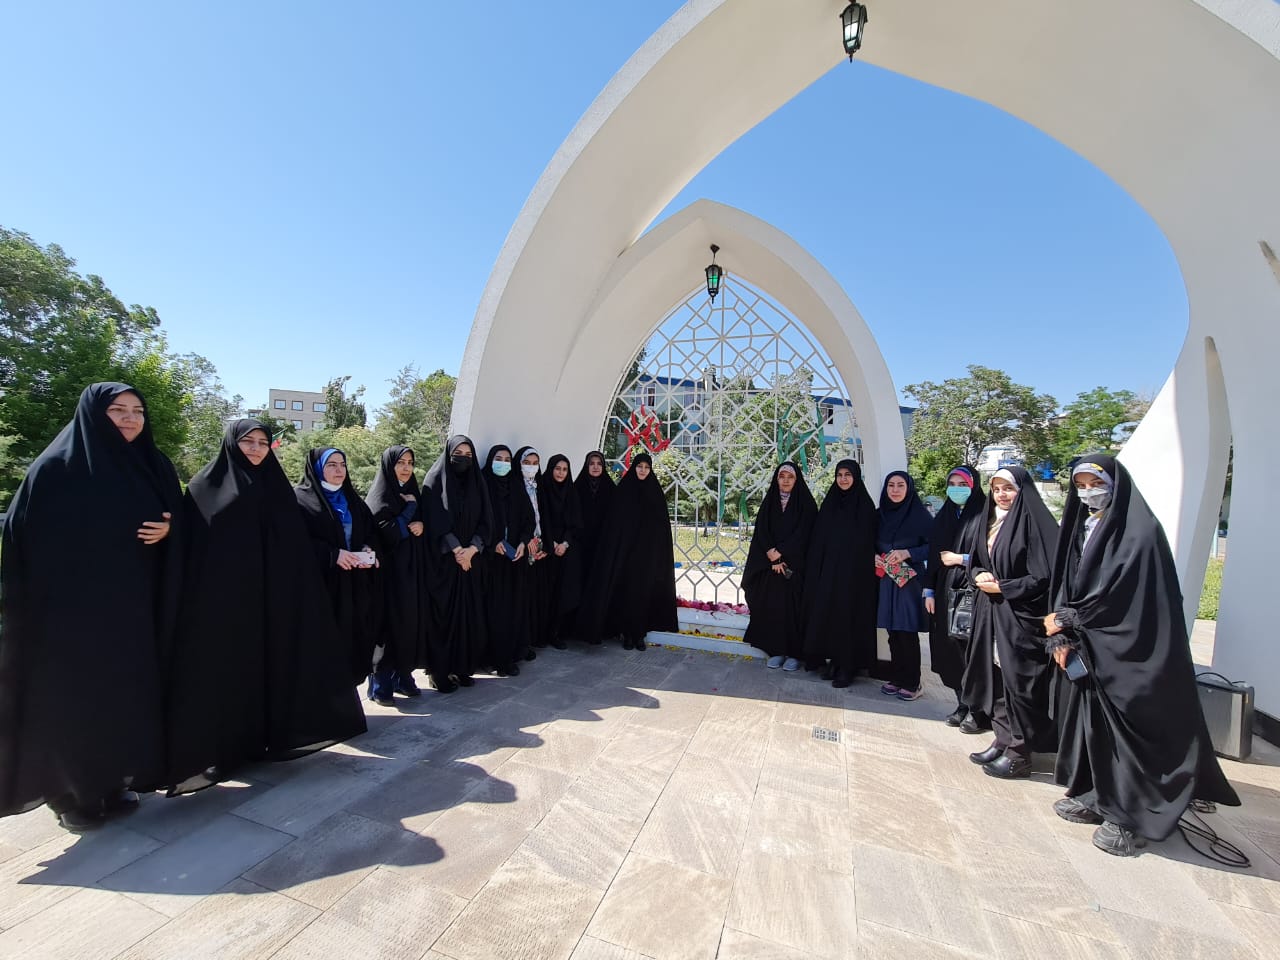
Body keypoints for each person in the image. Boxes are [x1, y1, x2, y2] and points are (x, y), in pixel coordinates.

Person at [0, 383, 182, 831]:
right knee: (75, 704)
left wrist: (172, 529)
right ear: (94, 415)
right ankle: (70, 797)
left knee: (123, 698)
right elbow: (25, 540)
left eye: (138, 411)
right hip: (72, 619)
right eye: (118, 410)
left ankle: (112, 782)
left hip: (134, 611)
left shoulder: (153, 464)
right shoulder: (58, 469)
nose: (131, 419)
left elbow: (181, 517)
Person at [1044, 455, 1239, 856]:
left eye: (1095, 483)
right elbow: (1068, 581)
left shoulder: (1140, 533)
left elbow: (1127, 599)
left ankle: (1130, 816)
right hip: (1091, 646)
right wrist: (1062, 630)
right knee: (1096, 726)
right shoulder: (1083, 527)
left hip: (1131, 652)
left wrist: (1068, 617)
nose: (1088, 492)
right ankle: (1098, 795)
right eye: (1080, 485)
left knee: (1131, 730)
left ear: (1116, 485)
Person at [168, 420, 366, 791]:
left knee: (270, 671)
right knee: (231, 676)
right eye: (249, 442)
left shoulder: (276, 489)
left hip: (273, 603)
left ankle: (264, 741)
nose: (257, 449)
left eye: (263, 442)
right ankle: (226, 750)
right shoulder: (204, 487)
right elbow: (192, 548)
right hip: (226, 607)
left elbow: (295, 546)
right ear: (232, 443)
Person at [963, 466, 1059, 779]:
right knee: (996, 677)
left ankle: (1020, 752)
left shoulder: (1034, 524)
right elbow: (976, 560)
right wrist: (979, 574)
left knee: (1020, 683)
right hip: (990, 612)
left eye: (1009, 489)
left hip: (1020, 617)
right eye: (997, 489)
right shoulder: (991, 521)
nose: (1001, 495)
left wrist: (1004, 587)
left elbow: (1043, 576)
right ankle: (1003, 738)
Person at [295, 447, 383, 686]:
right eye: (331, 465)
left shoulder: (353, 500)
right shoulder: (300, 500)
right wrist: (332, 554)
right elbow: (294, 542)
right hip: (321, 587)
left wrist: (367, 548)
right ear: (317, 468)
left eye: (342, 465)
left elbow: (371, 532)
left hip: (353, 587)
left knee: (352, 646)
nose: (339, 470)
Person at [576, 452, 677, 650]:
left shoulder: (655, 493)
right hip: (626, 555)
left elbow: (662, 528)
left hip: (647, 556)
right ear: (634, 468)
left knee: (643, 595)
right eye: (639, 466)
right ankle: (627, 635)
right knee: (627, 594)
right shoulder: (623, 491)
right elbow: (615, 524)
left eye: (646, 467)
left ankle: (639, 634)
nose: (643, 470)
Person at [422, 435, 492, 691]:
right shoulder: (434, 480)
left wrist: (472, 549)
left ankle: (462, 667)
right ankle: (439, 672)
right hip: (445, 563)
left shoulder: (477, 483)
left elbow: (486, 520)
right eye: (458, 454)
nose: (464, 459)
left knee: (469, 618)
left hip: (470, 562)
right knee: (444, 618)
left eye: (468, 455)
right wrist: (457, 550)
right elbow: (434, 519)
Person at [802, 459, 879, 687]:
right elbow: (818, 539)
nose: (843, 479)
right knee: (830, 618)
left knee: (849, 619)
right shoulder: (830, 504)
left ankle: (848, 666)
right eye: (839, 475)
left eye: (848, 474)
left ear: (856, 477)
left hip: (855, 578)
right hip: (829, 575)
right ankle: (835, 661)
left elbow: (868, 543)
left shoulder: (865, 507)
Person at [364, 445, 431, 704]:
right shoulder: (380, 496)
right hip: (387, 575)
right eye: (400, 462)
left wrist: (421, 523)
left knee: (408, 624)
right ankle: (380, 685)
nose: (406, 468)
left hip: (410, 573)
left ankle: (403, 676)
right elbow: (388, 531)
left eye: (410, 462)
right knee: (387, 626)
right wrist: (410, 510)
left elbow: (422, 528)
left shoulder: (413, 492)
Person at [922, 466, 987, 727]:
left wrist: (962, 559)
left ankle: (977, 710)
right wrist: (929, 590)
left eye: (963, 484)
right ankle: (961, 703)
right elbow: (933, 555)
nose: (956, 489)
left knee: (969, 650)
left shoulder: (985, 514)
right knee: (949, 649)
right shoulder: (945, 516)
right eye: (953, 483)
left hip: (973, 591)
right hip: (944, 591)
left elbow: (993, 553)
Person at [742, 462, 817, 671]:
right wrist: (772, 556)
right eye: (782, 476)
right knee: (772, 608)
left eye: (790, 477)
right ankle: (775, 650)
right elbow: (761, 531)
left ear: (796, 480)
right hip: (770, 567)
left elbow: (804, 533)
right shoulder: (770, 503)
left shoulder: (806, 504)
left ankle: (794, 653)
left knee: (794, 610)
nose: (785, 481)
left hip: (795, 567)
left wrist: (781, 553)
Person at [875, 471, 933, 701]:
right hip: (886, 579)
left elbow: (934, 546)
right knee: (892, 630)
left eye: (900, 485)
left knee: (907, 630)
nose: (895, 490)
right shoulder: (880, 515)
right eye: (891, 485)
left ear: (909, 488)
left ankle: (912, 682)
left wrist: (908, 552)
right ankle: (897, 677)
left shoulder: (920, 516)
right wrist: (873, 556)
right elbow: (868, 540)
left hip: (909, 581)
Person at [480, 444, 534, 675]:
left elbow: (528, 519)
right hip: (491, 561)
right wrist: (492, 543)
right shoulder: (483, 486)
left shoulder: (516, 487)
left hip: (514, 559)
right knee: (492, 611)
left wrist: (523, 542)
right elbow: (477, 519)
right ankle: (491, 658)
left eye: (507, 460)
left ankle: (509, 656)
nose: (503, 463)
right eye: (498, 458)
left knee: (512, 609)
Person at [514, 446, 556, 651]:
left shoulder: (540, 487)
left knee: (536, 597)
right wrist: (526, 539)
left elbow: (547, 518)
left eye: (535, 464)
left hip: (539, 548)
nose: (531, 467)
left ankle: (534, 638)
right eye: (526, 463)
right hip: (523, 547)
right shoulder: (514, 487)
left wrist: (545, 544)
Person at [540, 454, 584, 649]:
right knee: (544, 594)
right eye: (557, 468)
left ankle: (555, 633)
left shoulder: (570, 492)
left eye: (565, 469)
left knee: (562, 593)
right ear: (551, 469)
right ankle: (539, 634)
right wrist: (551, 542)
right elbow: (539, 519)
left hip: (564, 551)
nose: (561, 473)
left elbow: (575, 523)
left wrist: (564, 543)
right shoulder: (541, 489)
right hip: (544, 550)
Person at [571, 450, 615, 642]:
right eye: (592, 463)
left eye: (599, 463)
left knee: (599, 586)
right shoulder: (577, 487)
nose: (596, 467)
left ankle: (598, 628)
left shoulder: (611, 489)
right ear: (586, 466)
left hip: (602, 547)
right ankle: (576, 629)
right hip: (580, 547)